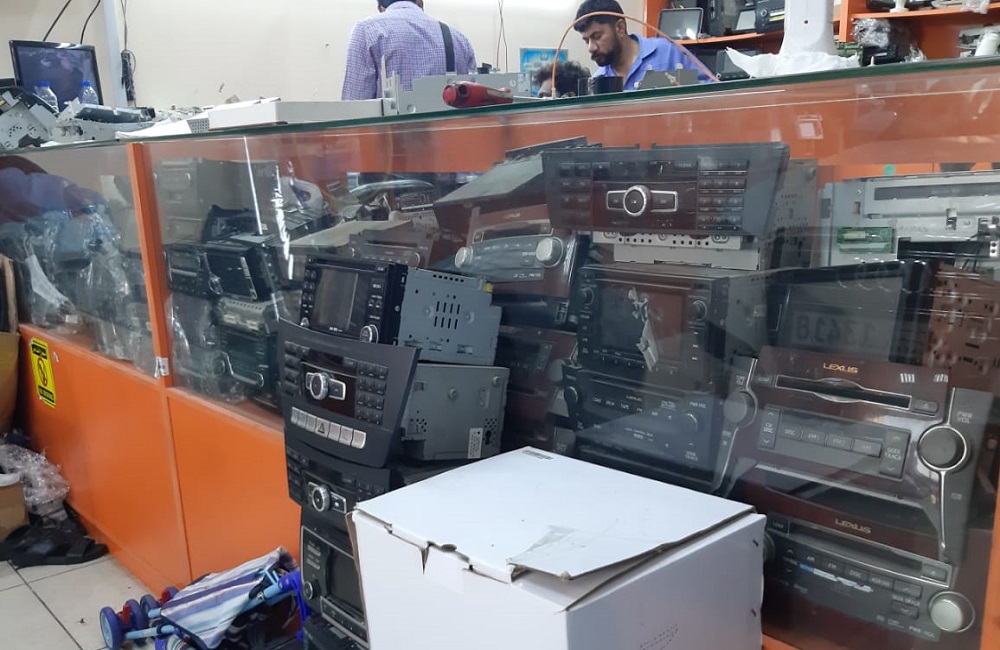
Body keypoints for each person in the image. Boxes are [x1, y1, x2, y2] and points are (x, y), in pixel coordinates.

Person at [342, 0, 478, 101]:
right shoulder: (458, 38)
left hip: (391, 131)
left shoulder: (367, 30)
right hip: (450, 131)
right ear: (420, 2)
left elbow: (355, 106)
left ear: (380, 8)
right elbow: (474, 102)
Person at [574, 0, 713, 90]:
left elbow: (711, 92)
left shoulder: (665, 53)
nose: (591, 47)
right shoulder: (599, 80)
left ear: (620, 28)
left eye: (597, 37)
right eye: (586, 41)